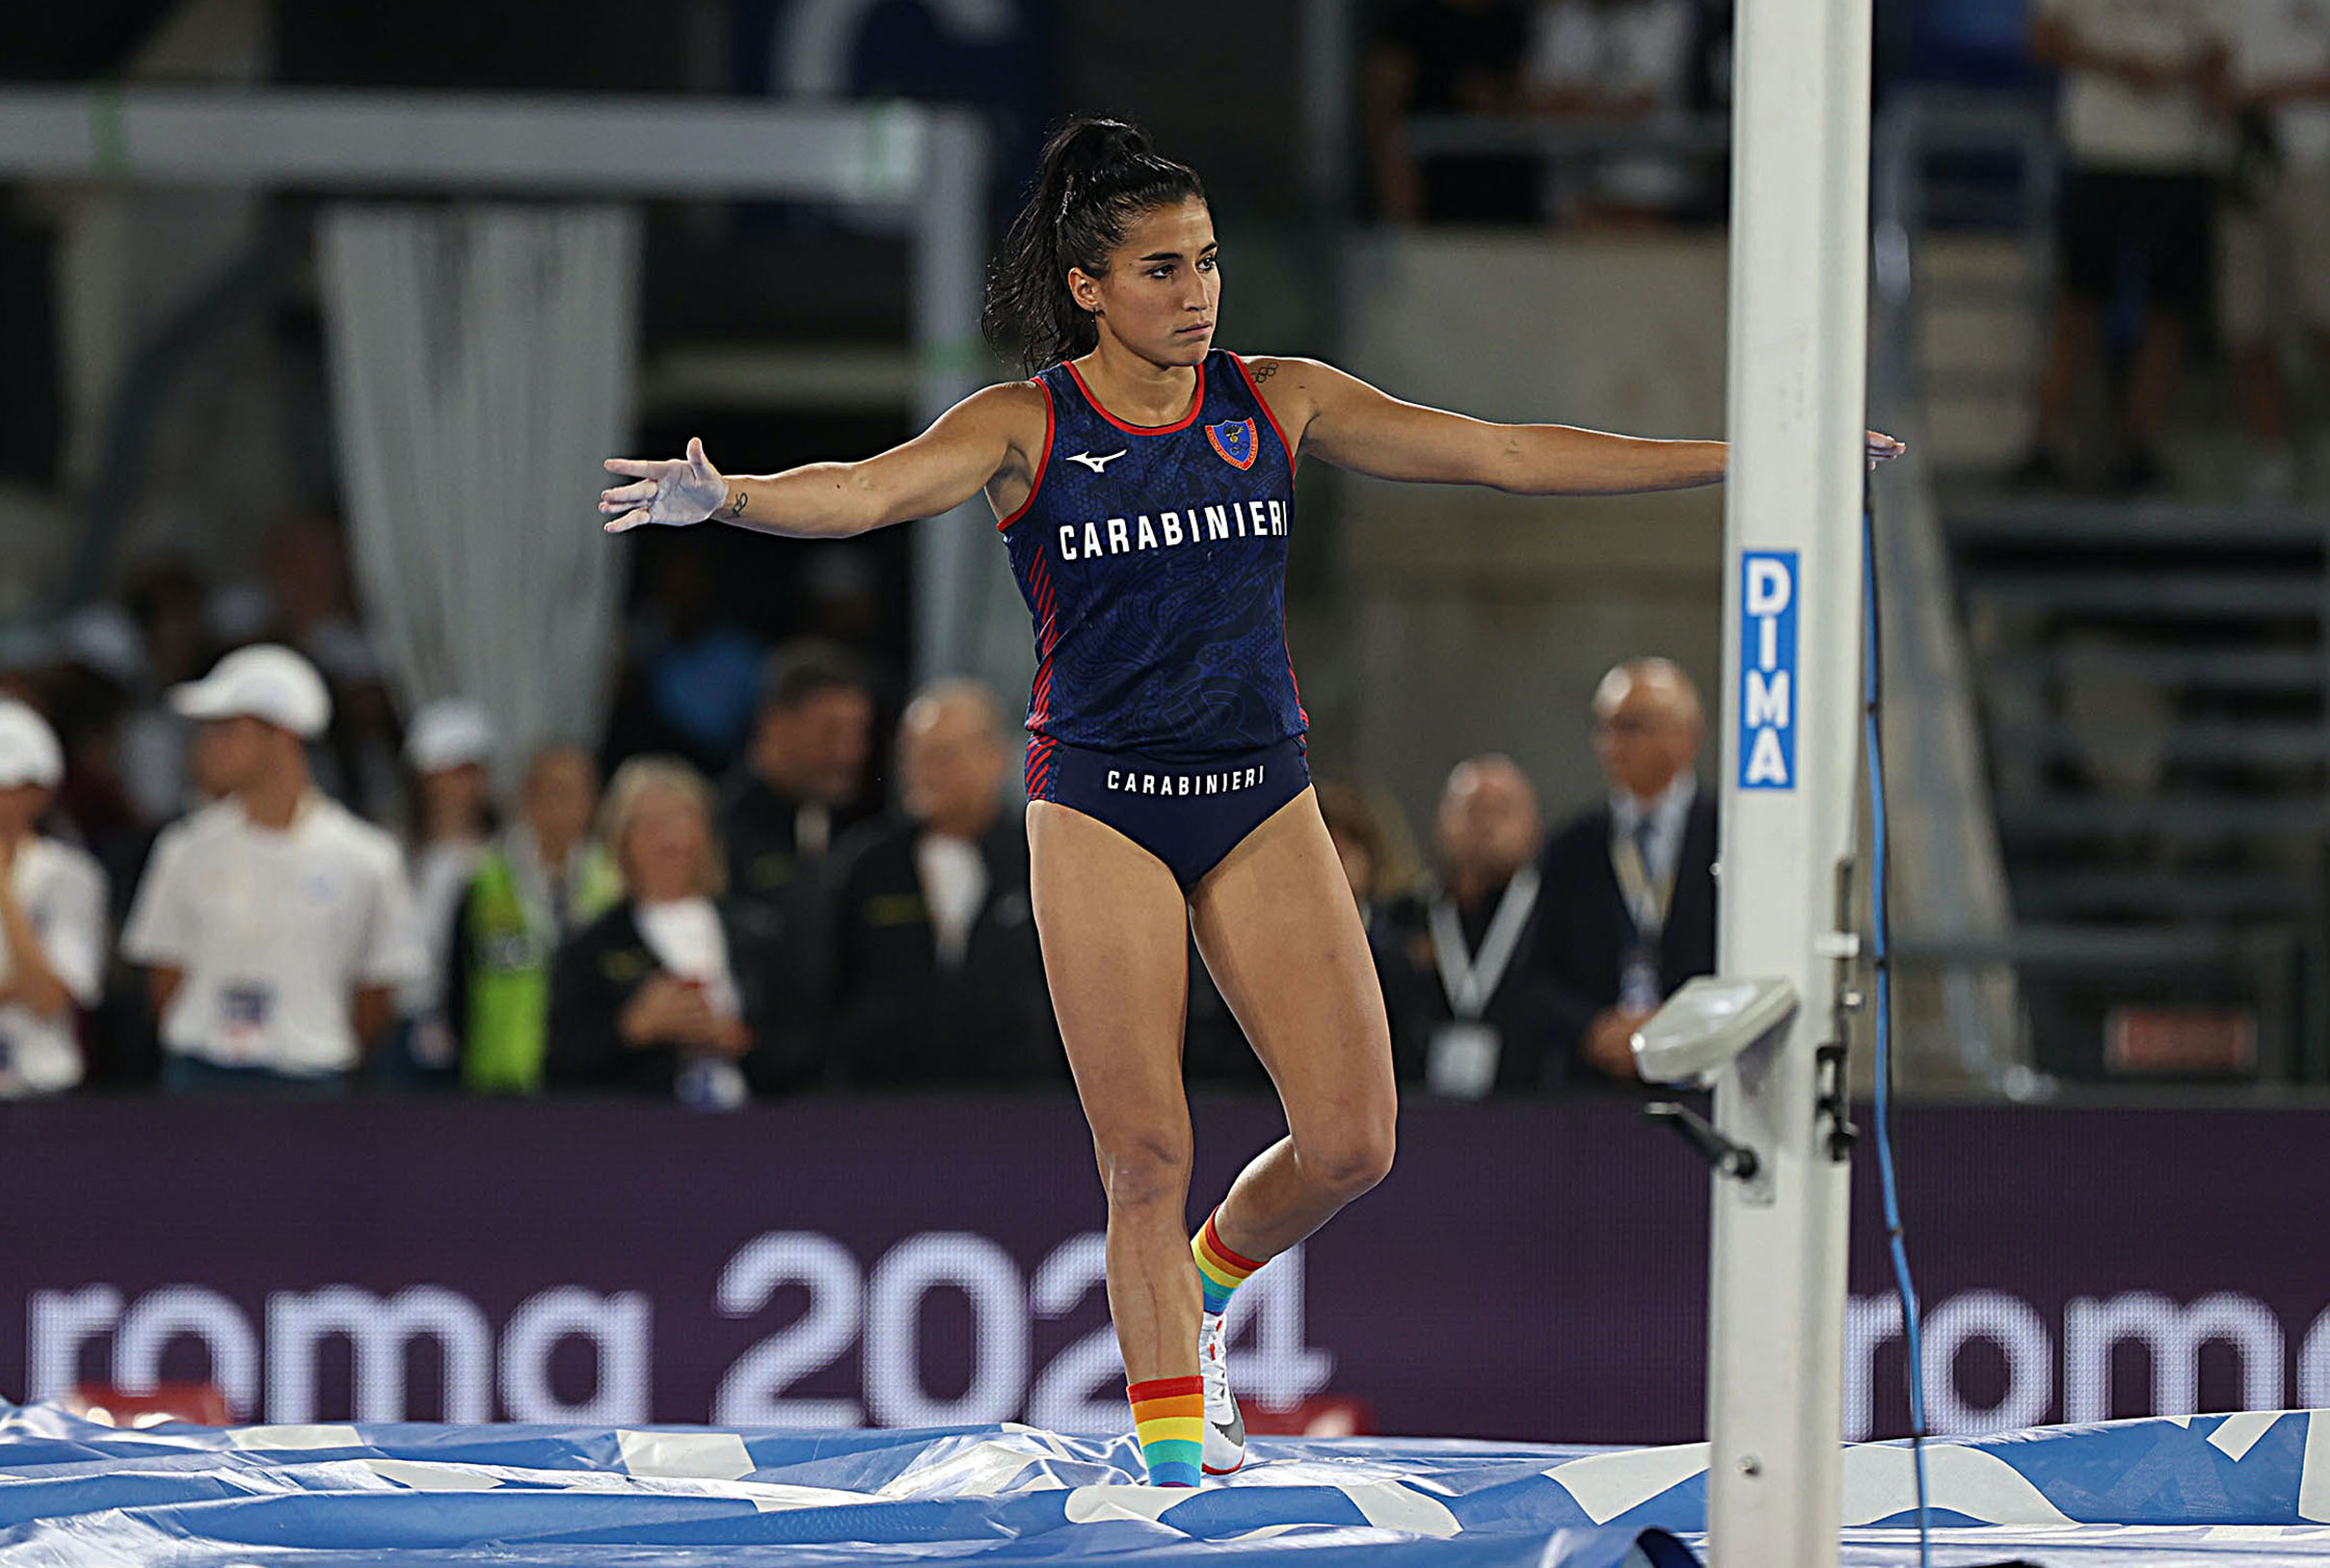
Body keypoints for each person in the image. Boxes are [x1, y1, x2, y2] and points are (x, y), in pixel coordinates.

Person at [598, 117, 1899, 1488]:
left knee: (1353, 1140)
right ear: (1088, 285)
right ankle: (1171, 1469)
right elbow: (863, 493)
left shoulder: (1279, 400)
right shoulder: (1025, 425)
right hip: (1099, 803)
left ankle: (1207, 1280)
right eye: (1162, 268)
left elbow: (1506, 452)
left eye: (1208, 261)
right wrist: (728, 497)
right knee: (1145, 1153)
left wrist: (1745, 459)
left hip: (1258, 797)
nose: (1198, 291)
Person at [120, 645, 422, 1092]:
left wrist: (317, 1040)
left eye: (227, 730)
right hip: (199, 1074)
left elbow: (379, 989)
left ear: (282, 736)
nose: (206, 747)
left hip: (311, 1079)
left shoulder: (366, 856)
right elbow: (163, 974)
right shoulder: (184, 846)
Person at [2015, 0, 2228, 492]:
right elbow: (2042, 40)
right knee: (2077, 304)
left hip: (2179, 158)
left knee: (2168, 311)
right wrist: (2119, 66)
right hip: (2098, 154)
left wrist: (2165, 72)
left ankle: (2138, 450)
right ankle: (2045, 446)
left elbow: (2225, 54)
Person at [828, 679, 1060, 1086]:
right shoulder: (866, 867)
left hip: (1023, 1101)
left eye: (942, 755)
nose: (922, 772)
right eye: (911, 756)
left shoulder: (1042, 859)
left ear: (997, 758)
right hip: (885, 1102)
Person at [545, 756, 808, 1103]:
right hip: (642, 1125)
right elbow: (560, 1066)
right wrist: (632, 1029)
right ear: (620, 839)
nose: (667, 838)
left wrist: (736, 1039)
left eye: (681, 819)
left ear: (707, 833)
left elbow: (805, 1053)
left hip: (753, 1121)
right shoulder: (590, 948)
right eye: (648, 822)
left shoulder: (760, 933)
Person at [1536, 658, 1718, 1084]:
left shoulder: (1727, 837)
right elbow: (1536, 973)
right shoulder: (1572, 846)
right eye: (1605, 727)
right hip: (1593, 1082)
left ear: (1687, 737)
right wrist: (1591, 1029)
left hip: (1701, 1074)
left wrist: (1678, 1025)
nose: (1612, 744)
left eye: (1632, 726)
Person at [446, 744, 622, 1094]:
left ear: (594, 803)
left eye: (572, 792)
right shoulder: (484, 880)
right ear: (525, 798)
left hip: (590, 1078)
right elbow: (456, 987)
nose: (560, 804)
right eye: (550, 790)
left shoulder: (613, 886)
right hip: (501, 1075)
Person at [1397, 756, 1568, 1095]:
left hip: (1535, 1110)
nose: (1484, 823)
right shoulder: (1406, 917)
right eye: (1471, 809)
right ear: (1440, 823)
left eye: (1500, 810)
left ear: (1534, 829)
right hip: (1420, 1109)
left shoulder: (1560, 919)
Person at [2218, 0, 2330, 496]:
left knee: (2323, 312)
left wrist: (2268, 94)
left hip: (2313, 161)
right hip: (2240, 165)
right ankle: (2270, 451)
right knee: (2246, 320)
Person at [0, 702, 107, 1099]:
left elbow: (48, 997)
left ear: (39, 793)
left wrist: (4, 889)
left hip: (41, 1085)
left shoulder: (71, 875)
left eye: (9, 788)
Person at [394, 697, 499, 1079]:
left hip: (477, 1025)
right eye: (443, 773)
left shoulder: (504, 861)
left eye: (466, 773)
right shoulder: (390, 854)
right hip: (398, 1023)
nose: (454, 787)